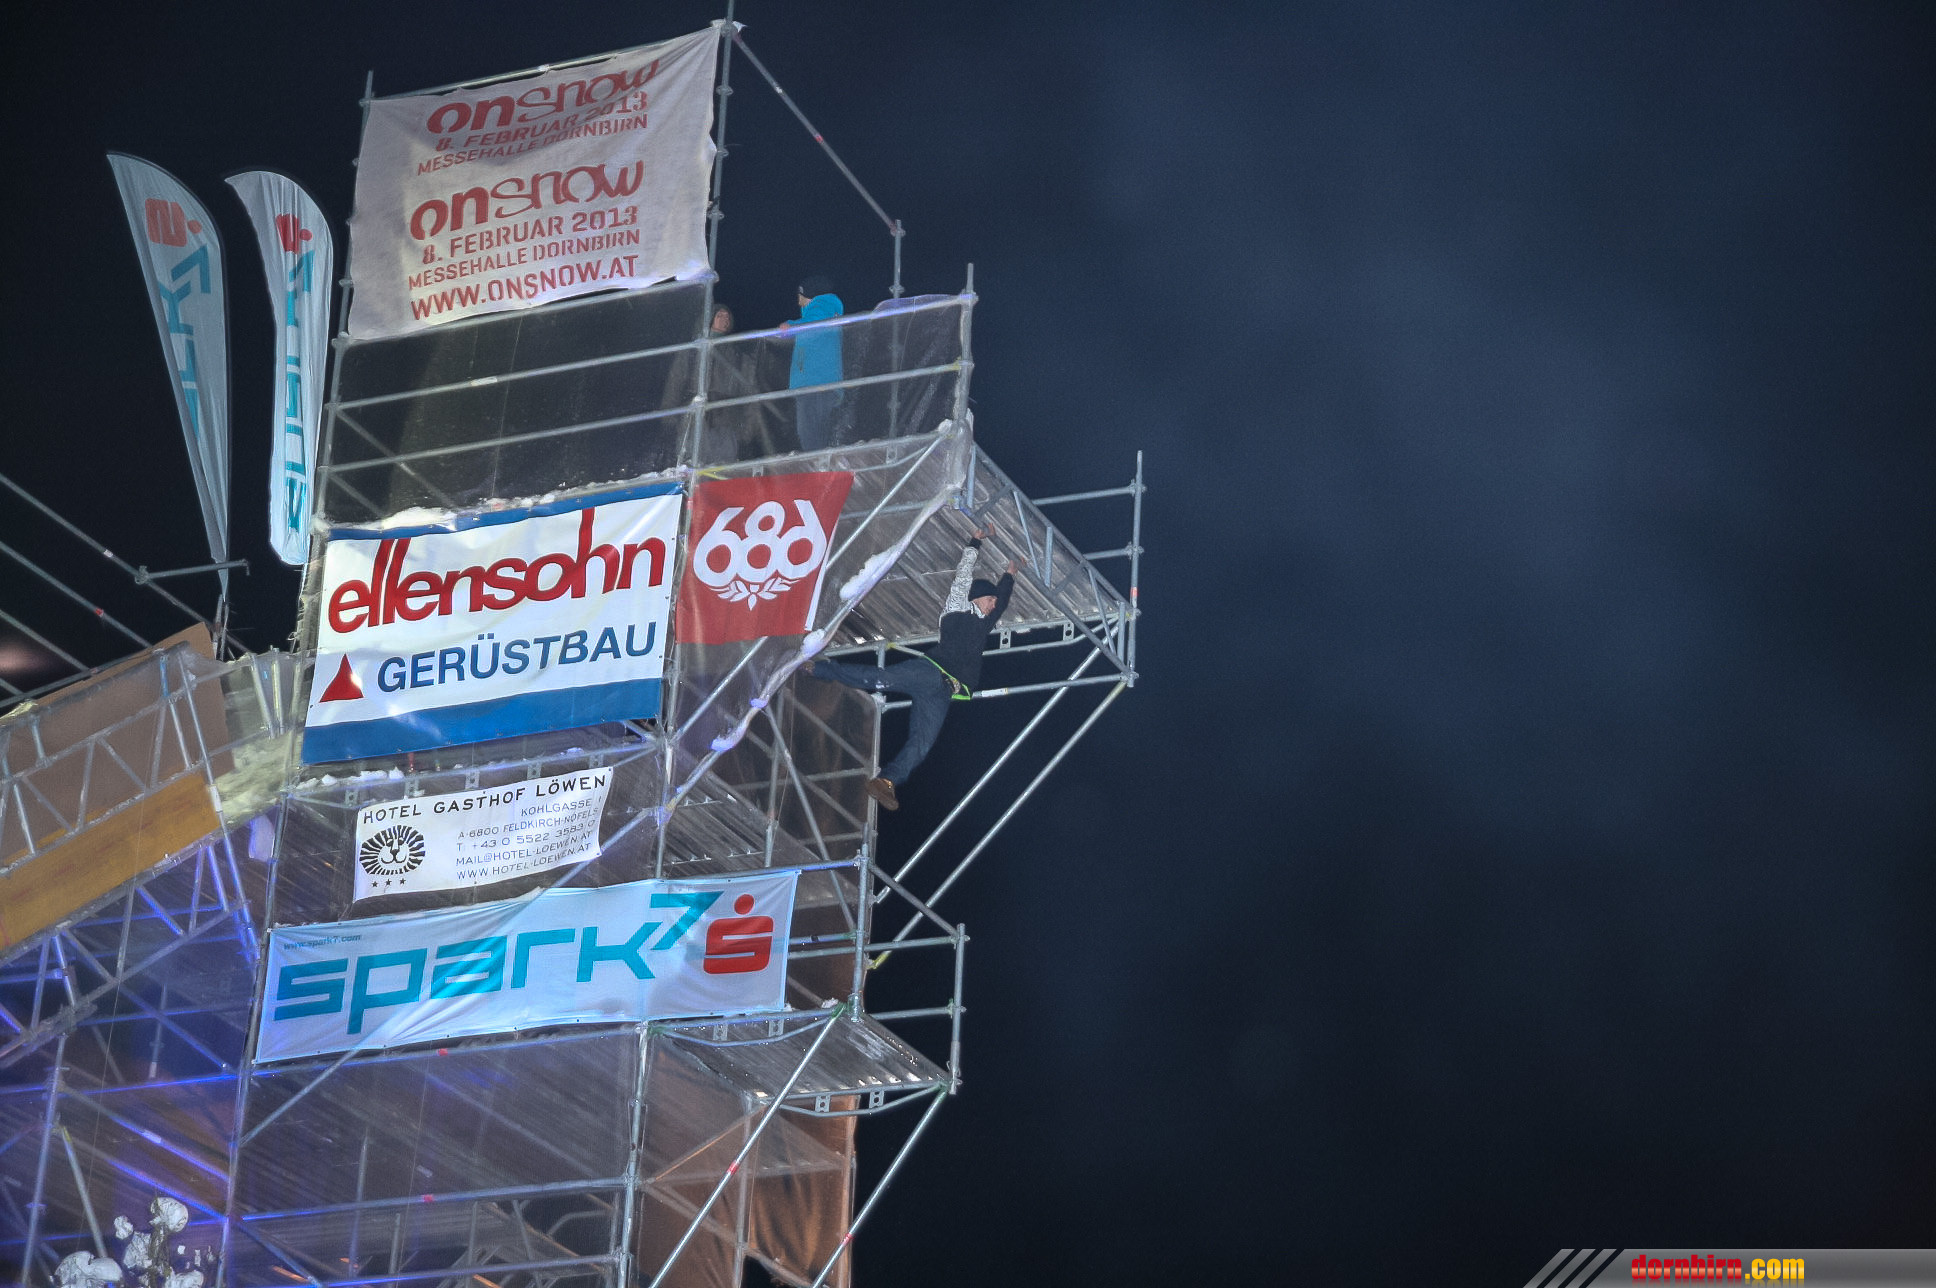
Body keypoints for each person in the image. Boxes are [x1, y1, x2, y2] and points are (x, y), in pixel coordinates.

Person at [805, 525, 1016, 810]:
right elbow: (963, 576)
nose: (993, 606)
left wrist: (1010, 573)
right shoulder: (957, 608)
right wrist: (975, 542)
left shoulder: (984, 623)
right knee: (881, 678)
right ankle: (821, 670)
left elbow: (1002, 602)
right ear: (977, 597)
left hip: (945, 693)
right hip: (929, 672)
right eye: (989, 600)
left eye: (993, 602)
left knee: (922, 743)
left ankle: (886, 781)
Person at [785, 274, 845, 450]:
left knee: (810, 430)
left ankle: (817, 463)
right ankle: (818, 461)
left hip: (817, 381)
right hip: (814, 382)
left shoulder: (824, 305)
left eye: (800, 297)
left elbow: (815, 321)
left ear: (809, 295)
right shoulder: (819, 311)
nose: (798, 302)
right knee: (812, 430)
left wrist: (790, 326)